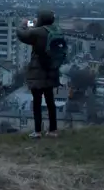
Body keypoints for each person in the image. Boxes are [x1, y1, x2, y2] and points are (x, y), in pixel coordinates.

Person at [16, 9, 65, 139]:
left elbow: (22, 35)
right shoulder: (56, 30)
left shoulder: (37, 32)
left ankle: (37, 131)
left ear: (41, 19)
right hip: (52, 69)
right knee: (50, 101)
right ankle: (53, 130)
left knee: (37, 102)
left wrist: (23, 24)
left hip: (38, 70)